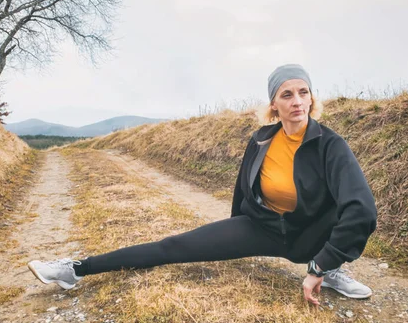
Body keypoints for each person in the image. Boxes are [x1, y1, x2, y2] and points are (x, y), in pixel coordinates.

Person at [28, 64, 377, 306]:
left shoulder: (331, 144)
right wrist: (229, 237)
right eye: (287, 94)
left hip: (311, 236)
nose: (297, 101)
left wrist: (320, 263)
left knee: (342, 211)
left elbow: (361, 211)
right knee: (173, 246)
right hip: (266, 227)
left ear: (312, 98)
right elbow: (244, 194)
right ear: (274, 103)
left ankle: (331, 270)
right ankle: (75, 269)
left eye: (303, 92)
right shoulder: (261, 140)